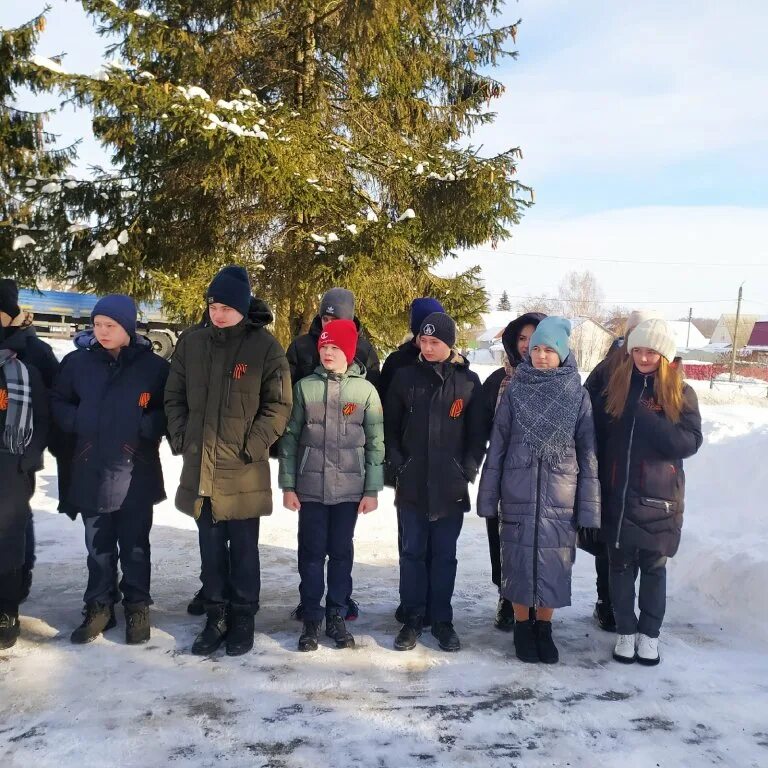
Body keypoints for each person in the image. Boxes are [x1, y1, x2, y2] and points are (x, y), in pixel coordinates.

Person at [165, 265, 291, 656]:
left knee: (244, 547)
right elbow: (174, 396)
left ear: (242, 307)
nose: (218, 314)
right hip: (201, 464)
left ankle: (242, 615)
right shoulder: (192, 344)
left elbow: (279, 405)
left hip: (242, 467)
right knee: (211, 545)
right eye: (213, 306)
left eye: (226, 307)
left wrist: (252, 447)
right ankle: (216, 613)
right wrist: (184, 437)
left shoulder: (264, 348)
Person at [477, 317, 601, 664]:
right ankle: (521, 626)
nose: (542, 356)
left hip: (561, 497)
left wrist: (589, 507)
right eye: (536, 349)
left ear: (562, 353)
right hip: (517, 493)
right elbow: (497, 447)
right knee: (517, 562)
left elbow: (589, 454)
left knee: (553, 565)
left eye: (549, 349)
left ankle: (543, 629)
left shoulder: (577, 395)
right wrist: (488, 497)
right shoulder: (514, 390)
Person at [50, 295, 169, 645]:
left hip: (137, 469)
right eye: (98, 325)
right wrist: (79, 420)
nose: (102, 332)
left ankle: (137, 605)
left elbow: (171, 407)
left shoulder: (153, 367)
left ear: (127, 328)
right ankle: (100, 605)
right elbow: (58, 400)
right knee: (98, 545)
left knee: (135, 545)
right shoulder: (77, 363)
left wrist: (147, 425)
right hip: (91, 465)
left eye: (110, 325)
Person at [599, 319, 702, 666]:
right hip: (618, 492)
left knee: (654, 569)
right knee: (620, 567)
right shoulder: (617, 385)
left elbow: (690, 441)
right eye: (638, 350)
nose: (643, 357)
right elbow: (598, 434)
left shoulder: (681, 393)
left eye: (651, 351)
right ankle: (625, 632)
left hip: (659, 498)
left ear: (665, 355)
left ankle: (650, 635)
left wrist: (649, 419)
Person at [278, 319, 384, 651]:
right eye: (324, 346)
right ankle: (311, 618)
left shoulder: (365, 391)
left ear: (349, 351)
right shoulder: (305, 387)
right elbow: (290, 439)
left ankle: (337, 615)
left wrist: (371, 490)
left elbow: (376, 443)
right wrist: (288, 485)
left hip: (349, 491)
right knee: (310, 554)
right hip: (310, 487)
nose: (327, 352)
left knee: (340, 553)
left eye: (335, 347)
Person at [384, 312, 487, 652]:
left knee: (444, 556)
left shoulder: (469, 382)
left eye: (435, 342)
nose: (427, 348)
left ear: (449, 344)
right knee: (413, 553)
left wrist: (466, 469)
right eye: (423, 341)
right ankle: (412, 618)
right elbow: (390, 430)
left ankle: (442, 620)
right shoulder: (404, 378)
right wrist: (399, 466)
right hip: (412, 483)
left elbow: (477, 436)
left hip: (450, 486)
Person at [583, 309, 662, 631]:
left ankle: (628, 608)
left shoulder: (662, 375)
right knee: (610, 542)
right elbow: (586, 411)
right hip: (608, 464)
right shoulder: (607, 369)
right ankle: (608, 602)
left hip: (647, 473)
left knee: (639, 545)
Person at [378, 296, 444, 626]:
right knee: (411, 540)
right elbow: (385, 414)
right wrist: (395, 460)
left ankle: (433, 604)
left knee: (439, 543)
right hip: (406, 463)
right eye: (422, 334)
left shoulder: (454, 367)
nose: (427, 344)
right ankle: (411, 603)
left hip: (442, 470)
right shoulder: (398, 363)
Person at [480, 311, 545, 632]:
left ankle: (538, 602)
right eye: (521, 338)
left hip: (546, 478)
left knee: (540, 542)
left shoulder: (561, 382)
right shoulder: (497, 381)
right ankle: (507, 597)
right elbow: (478, 426)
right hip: (506, 475)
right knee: (504, 537)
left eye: (534, 338)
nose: (527, 345)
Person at [0, 279, 59, 603]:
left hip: (17, 457)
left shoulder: (34, 351)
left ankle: (18, 580)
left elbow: (52, 403)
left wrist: (31, 453)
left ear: (9, 315)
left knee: (16, 520)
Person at [0, 329, 49, 649]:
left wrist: (26, 461)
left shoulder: (24, 369)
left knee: (8, 543)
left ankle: (7, 612)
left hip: (10, 466)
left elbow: (43, 419)